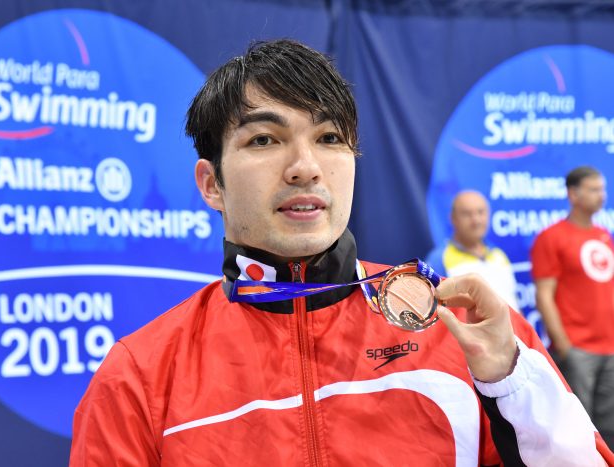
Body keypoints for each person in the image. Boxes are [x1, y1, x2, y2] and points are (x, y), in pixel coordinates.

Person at [70, 40, 613, 466]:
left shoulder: (464, 332)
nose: (305, 166)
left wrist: (512, 387)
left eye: (330, 138)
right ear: (211, 184)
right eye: (264, 140)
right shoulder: (139, 377)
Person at [531, 165, 614, 449]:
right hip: (577, 349)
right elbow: (544, 295)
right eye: (593, 190)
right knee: (579, 429)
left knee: (610, 429)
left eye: (602, 189)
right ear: (573, 194)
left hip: (610, 348)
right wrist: (565, 345)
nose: (601, 196)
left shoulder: (604, 236)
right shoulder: (551, 238)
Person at [426, 190, 520, 310]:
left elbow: (514, 303)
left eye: (481, 212)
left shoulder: (499, 255)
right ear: (453, 219)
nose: (476, 220)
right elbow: (431, 311)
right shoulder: (438, 260)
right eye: (467, 214)